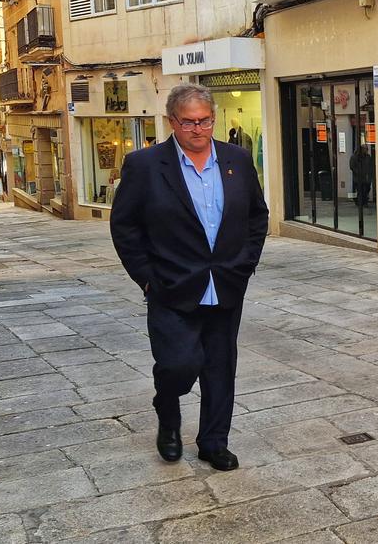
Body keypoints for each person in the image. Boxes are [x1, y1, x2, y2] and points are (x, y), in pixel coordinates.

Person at [110, 83, 269, 472]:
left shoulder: (237, 159)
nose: (198, 130)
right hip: (170, 287)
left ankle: (214, 442)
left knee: (220, 368)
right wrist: (147, 278)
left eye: (205, 121)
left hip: (226, 285)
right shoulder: (145, 166)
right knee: (178, 364)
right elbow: (125, 227)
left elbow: (256, 216)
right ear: (172, 122)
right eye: (189, 123)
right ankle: (168, 407)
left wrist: (244, 264)